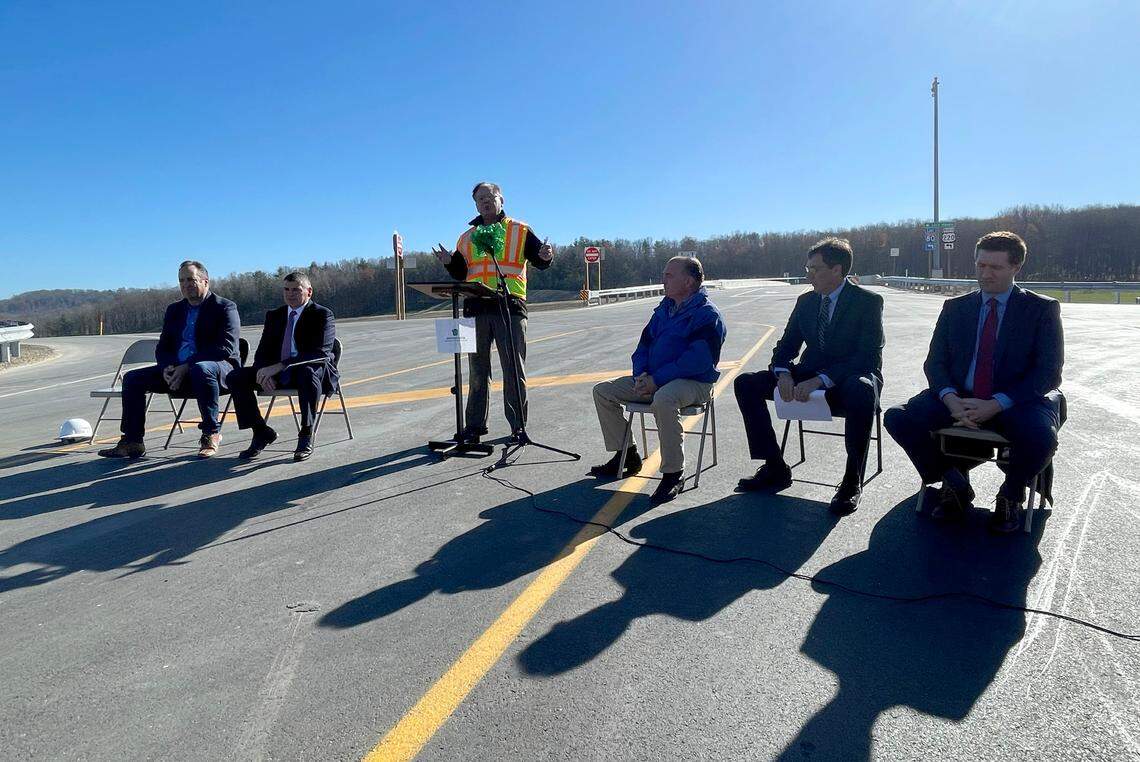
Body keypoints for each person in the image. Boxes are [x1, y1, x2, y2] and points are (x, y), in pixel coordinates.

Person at [884, 231, 1064, 533]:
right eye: (981, 265)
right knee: (898, 417)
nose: (985, 273)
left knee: (1041, 438)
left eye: (995, 267)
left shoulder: (1041, 309)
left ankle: (1011, 494)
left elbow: (1048, 372)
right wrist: (950, 399)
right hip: (960, 398)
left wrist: (996, 404)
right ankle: (953, 481)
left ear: (1015, 267)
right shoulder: (956, 308)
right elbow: (935, 363)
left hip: (1015, 401)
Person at [734, 237, 884, 515]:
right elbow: (785, 348)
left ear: (837, 270)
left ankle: (852, 481)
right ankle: (775, 466)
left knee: (861, 390)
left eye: (815, 269)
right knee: (747, 383)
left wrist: (821, 380)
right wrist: (783, 375)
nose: (808, 274)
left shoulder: (868, 302)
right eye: (808, 267)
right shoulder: (806, 302)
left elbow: (866, 358)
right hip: (806, 376)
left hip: (850, 379)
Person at [589, 256, 726, 503]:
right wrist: (641, 375)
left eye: (669, 275)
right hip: (653, 379)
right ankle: (627, 456)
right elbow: (643, 346)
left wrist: (657, 380)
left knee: (664, 398)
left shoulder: (707, 315)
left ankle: (674, 474)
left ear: (688, 281)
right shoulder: (663, 310)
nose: (663, 279)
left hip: (694, 383)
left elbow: (697, 361)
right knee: (603, 391)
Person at [432, 182, 554, 443]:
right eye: (480, 199)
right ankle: (474, 427)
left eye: (490, 197)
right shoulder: (466, 237)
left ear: (502, 200)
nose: (485, 201)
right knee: (477, 371)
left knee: (513, 370)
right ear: (475, 204)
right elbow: (462, 273)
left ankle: (518, 427)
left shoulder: (519, 230)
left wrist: (545, 256)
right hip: (475, 309)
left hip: (509, 308)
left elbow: (540, 261)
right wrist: (448, 263)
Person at [98, 260, 241, 459]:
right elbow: (163, 346)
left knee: (201, 368)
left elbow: (225, 348)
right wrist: (167, 366)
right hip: (178, 369)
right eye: (181, 281)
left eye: (191, 280)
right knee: (132, 378)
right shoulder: (174, 310)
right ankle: (133, 441)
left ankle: (211, 433)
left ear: (205, 281)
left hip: (218, 370)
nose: (186, 285)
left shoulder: (224, 307)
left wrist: (187, 366)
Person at [225, 272, 338, 462]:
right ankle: (261, 431)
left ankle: (306, 434)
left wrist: (278, 366)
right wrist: (263, 371)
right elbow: (263, 351)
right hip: (276, 372)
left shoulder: (322, 315)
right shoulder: (274, 315)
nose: (290, 294)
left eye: (296, 290)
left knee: (307, 374)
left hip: (310, 371)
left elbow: (320, 353)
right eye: (286, 289)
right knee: (235, 377)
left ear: (309, 292)